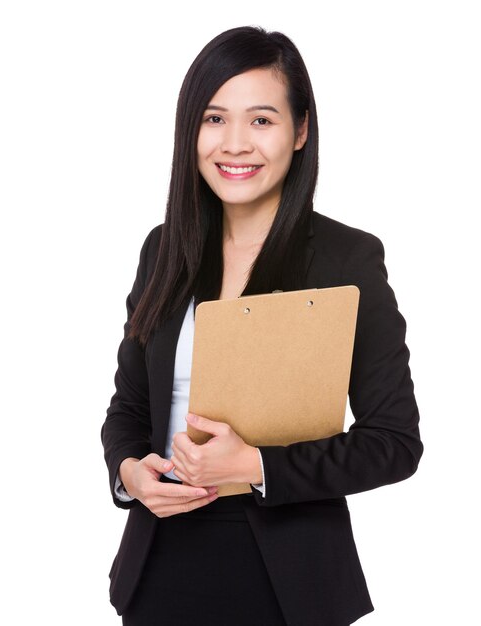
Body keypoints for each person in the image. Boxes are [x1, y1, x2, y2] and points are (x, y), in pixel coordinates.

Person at [101, 25, 423, 626]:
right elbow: (130, 407)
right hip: (158, 569)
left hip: (288, 582)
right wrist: (129, 474)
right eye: (214, 119)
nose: (235, 144)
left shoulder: (344, 259)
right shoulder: (164, 250)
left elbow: (395, 443)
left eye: (262, 120)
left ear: (300, 131)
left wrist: (255, 467)